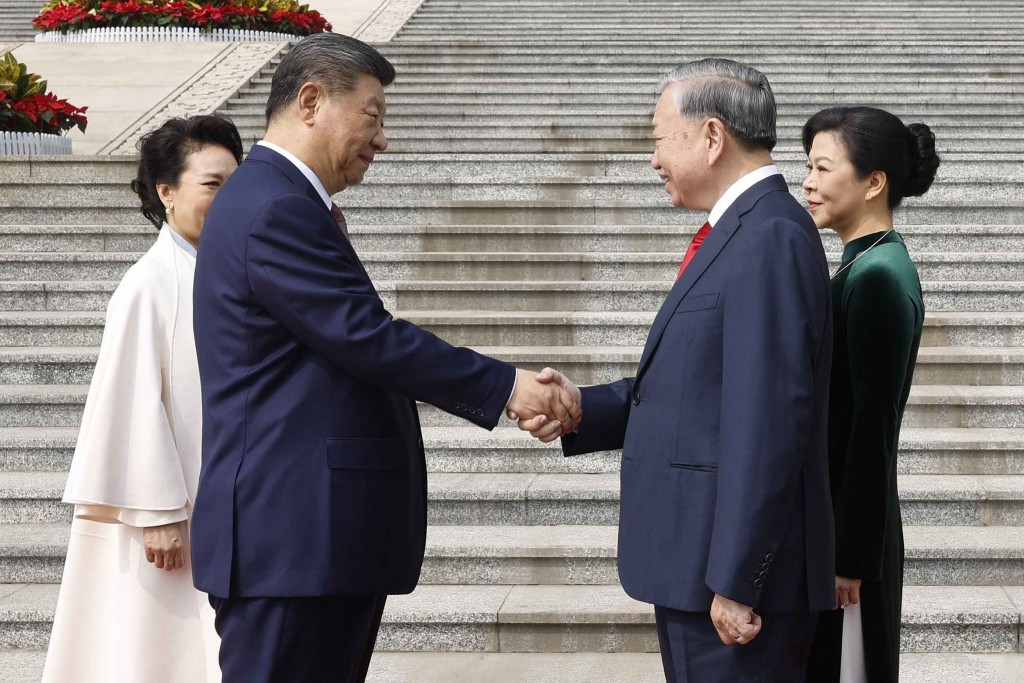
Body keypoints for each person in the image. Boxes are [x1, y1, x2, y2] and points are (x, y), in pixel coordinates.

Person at [189, 33, 579, 683]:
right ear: (311, 101)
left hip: (310, 540)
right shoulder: (272, 206)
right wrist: (507, 385)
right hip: (291, 539)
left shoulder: (281, 200)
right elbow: (365, 335)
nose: (381, 139)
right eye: (371, 116)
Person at [519, 59, 835, 682]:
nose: (654, 159)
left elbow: (768, 421)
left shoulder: (769, 236)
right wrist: (583, 404)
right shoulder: (741, 231)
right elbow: (699, 386)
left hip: (732, 586)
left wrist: (737, 580)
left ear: (712, 136)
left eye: (660, 138)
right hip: (700, 569)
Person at [41, 115, 243, 683]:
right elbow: (127, 401)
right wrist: (157, 511)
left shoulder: (225, 271)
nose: (229, 199)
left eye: (237, 183)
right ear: (166, 191)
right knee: (156, 651)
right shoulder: (149, 283)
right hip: (172, 514)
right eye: (213, 184)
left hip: (228, 502)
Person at [802, 107, 938, 683]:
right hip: (839, 526)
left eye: (823, 167)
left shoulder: (879, 276)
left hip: (849, 547)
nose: (807, 181)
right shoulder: (864, 263)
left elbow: (870, 430)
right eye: (807, 166)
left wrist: (849, 559)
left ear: (873, 182)